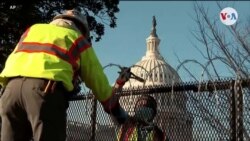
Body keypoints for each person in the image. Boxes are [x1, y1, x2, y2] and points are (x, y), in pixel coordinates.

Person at [0, 9, 128, 141]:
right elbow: (97, 80)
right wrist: (115, 109)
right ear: (81, 29)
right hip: (45, 90)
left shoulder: (33, 30)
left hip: (10, 91)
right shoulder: (77, 38)